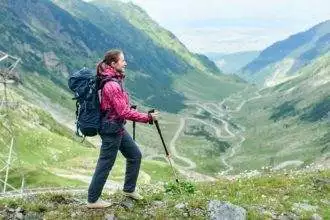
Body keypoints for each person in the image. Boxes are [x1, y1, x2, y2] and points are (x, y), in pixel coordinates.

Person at [87, 49, 159, 208]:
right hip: (111, 130)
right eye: (122, 60)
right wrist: (147, 118)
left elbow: (119, 108)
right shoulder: (112, 84)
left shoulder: (113, 79)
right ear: (113, 63)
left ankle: (129, 189)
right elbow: (123, 112)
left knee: (135, 155)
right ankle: (93, 200)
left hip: (116, 127)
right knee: (105, 163)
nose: (125, 63)